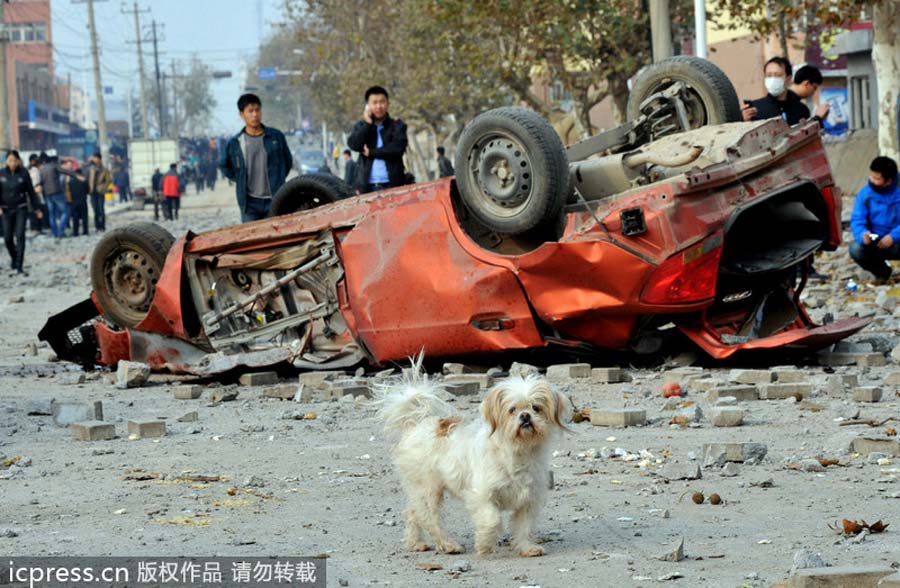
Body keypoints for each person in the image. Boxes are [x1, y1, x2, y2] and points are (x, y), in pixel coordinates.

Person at [219, 93, 293, 222]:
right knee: (254, 239)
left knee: (276, 238)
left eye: (257, 110)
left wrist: (278, 177)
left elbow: (287, 161)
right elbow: (224, 164)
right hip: (249, 204)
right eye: (250, 111)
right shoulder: (236, 143)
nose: (255, 115)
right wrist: (240, 177)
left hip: (275, 199)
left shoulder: (276, 137)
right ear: (241, 114)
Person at [347, 85, 408, 193]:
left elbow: (396, 149)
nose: (379, 106)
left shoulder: (397, 126)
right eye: (374, 103)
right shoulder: (361, 126)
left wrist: (371, 152)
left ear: (388, 104)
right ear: (368, 106)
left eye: (382, 102)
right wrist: (367, 124)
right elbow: (354, 144)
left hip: (393, 186)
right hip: (367, 187)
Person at [849, 156, 900, 282]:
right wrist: (862, 235)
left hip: (897, 240)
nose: (872, 181)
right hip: (877, 240)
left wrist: (894, 236)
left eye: (877, 178)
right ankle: (883, 273)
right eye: (872, 176)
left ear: (889, 181)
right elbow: (857, 219)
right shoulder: (865, 194)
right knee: (855, 249)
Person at [0, 150, 41, 274]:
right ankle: (14, 258)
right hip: (6, 210)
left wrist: (37, 208)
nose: (12, 163)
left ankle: (19, 265)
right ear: (6, 161)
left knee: (20, 236)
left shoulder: (24, 173)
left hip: (21, 209)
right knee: (7, 238)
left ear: (18, 161)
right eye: (10, 161)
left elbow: (31, 192)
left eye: (14, 160)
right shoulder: (1, 174)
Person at [741, 57, 811, 126]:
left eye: (778, 75)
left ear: (788, 79)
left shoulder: (801, 110)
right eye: (768, 75)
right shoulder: (754, 109)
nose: (772, 79)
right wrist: (742, 121)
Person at [39, 153, 69, 239]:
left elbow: (41, 182)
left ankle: (55, 233)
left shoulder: (42, 169)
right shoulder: (54, 166)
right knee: (65, 211)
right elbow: (65, 171)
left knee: (52, 214)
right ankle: (61, 231)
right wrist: (76, 175)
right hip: (57, 193)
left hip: (48, 194)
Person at [62, 159, 89, 237]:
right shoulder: (84, 181)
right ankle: (85, 231)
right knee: (84, 217)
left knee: (75, 217)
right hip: (83, 200)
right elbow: (88, 190)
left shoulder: (71, 182)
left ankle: (75, 232)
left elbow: (68, 191)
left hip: (74, 201)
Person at [86, 152, 112, 232]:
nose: (93, 159)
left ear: (99, 159)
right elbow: (87, 179)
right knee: (95, 211)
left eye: (95, 158)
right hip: (92, 192)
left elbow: (108, 180)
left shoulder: (104, 170)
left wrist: (103, 188)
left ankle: (102, 226)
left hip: (100, 192)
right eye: (93, 158)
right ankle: (97, 227)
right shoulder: (91, 169)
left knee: (101, 210)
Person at [27, 154, 45, 235]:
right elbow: (36, 182)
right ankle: (37, 228)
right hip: (36, 192)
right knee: (38, 210)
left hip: (30, 193)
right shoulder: (35, 170)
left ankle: (34, 228)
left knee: (32, 210)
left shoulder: (28, 169)